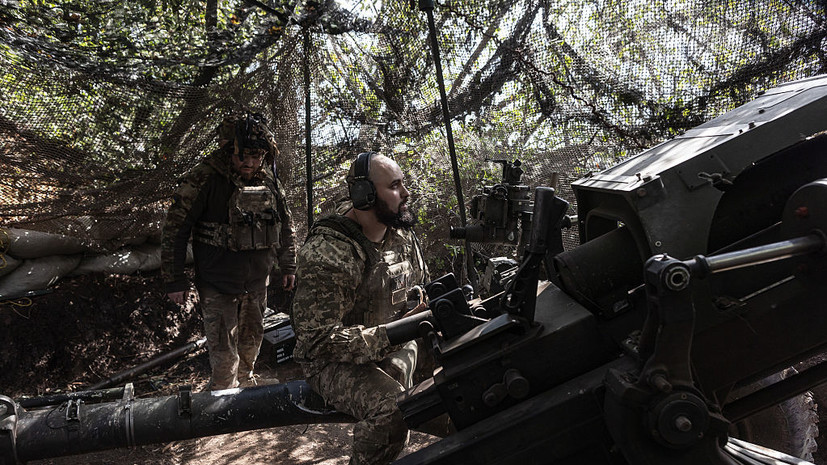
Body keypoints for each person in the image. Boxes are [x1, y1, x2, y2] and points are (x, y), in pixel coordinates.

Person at [291, 151, 429, 465]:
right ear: (364, 196)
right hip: (331, 362)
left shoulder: (400, 232)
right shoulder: (330, 254)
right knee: (391, 409)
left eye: (403, 183)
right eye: (394, 186)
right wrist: (390, 336)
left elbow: (420, 284)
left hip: (391, 342)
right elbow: (316, 341)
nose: (406, 193)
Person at [161, 111, 297, 390]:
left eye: (257, 156)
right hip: (218, 283)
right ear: (228, 150)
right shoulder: (204, 178)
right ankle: (221, 404)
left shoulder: (268, 179)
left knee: (251, 346)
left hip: (257, 282)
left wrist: (289, 264)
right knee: (224, 355)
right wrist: (174, 279)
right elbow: (175, 228)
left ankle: (244, 391)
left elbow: (284, 223)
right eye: (243, 156)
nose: (250, 164)